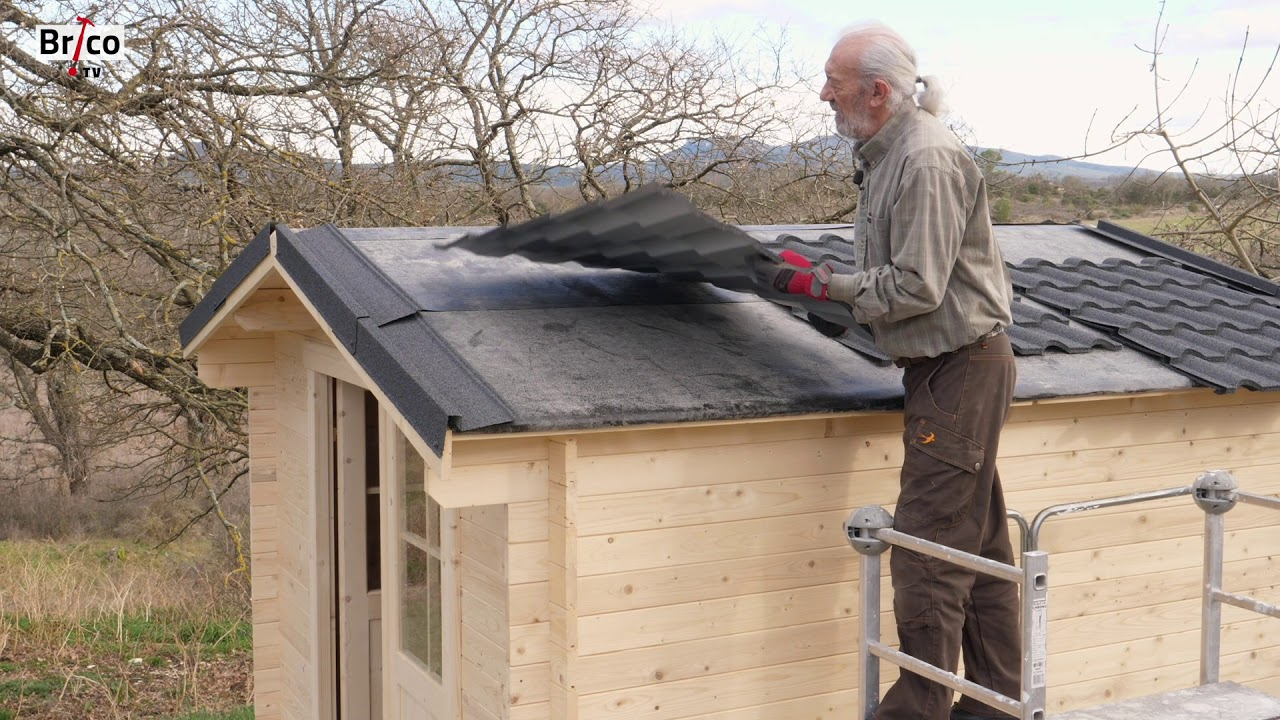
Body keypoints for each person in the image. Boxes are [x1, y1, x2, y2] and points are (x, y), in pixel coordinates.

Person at [758, 22, 1020, 720]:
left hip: (960, 369)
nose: (823, 95)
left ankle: (916, 710)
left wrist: (827, 288)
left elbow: (917, 287)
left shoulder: (926, 159)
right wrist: (834, 289)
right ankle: (998, 703)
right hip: (950, 371)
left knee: (927, 548)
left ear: (876, 91)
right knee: (978, 542)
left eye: (834, 85)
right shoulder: (890, 153)